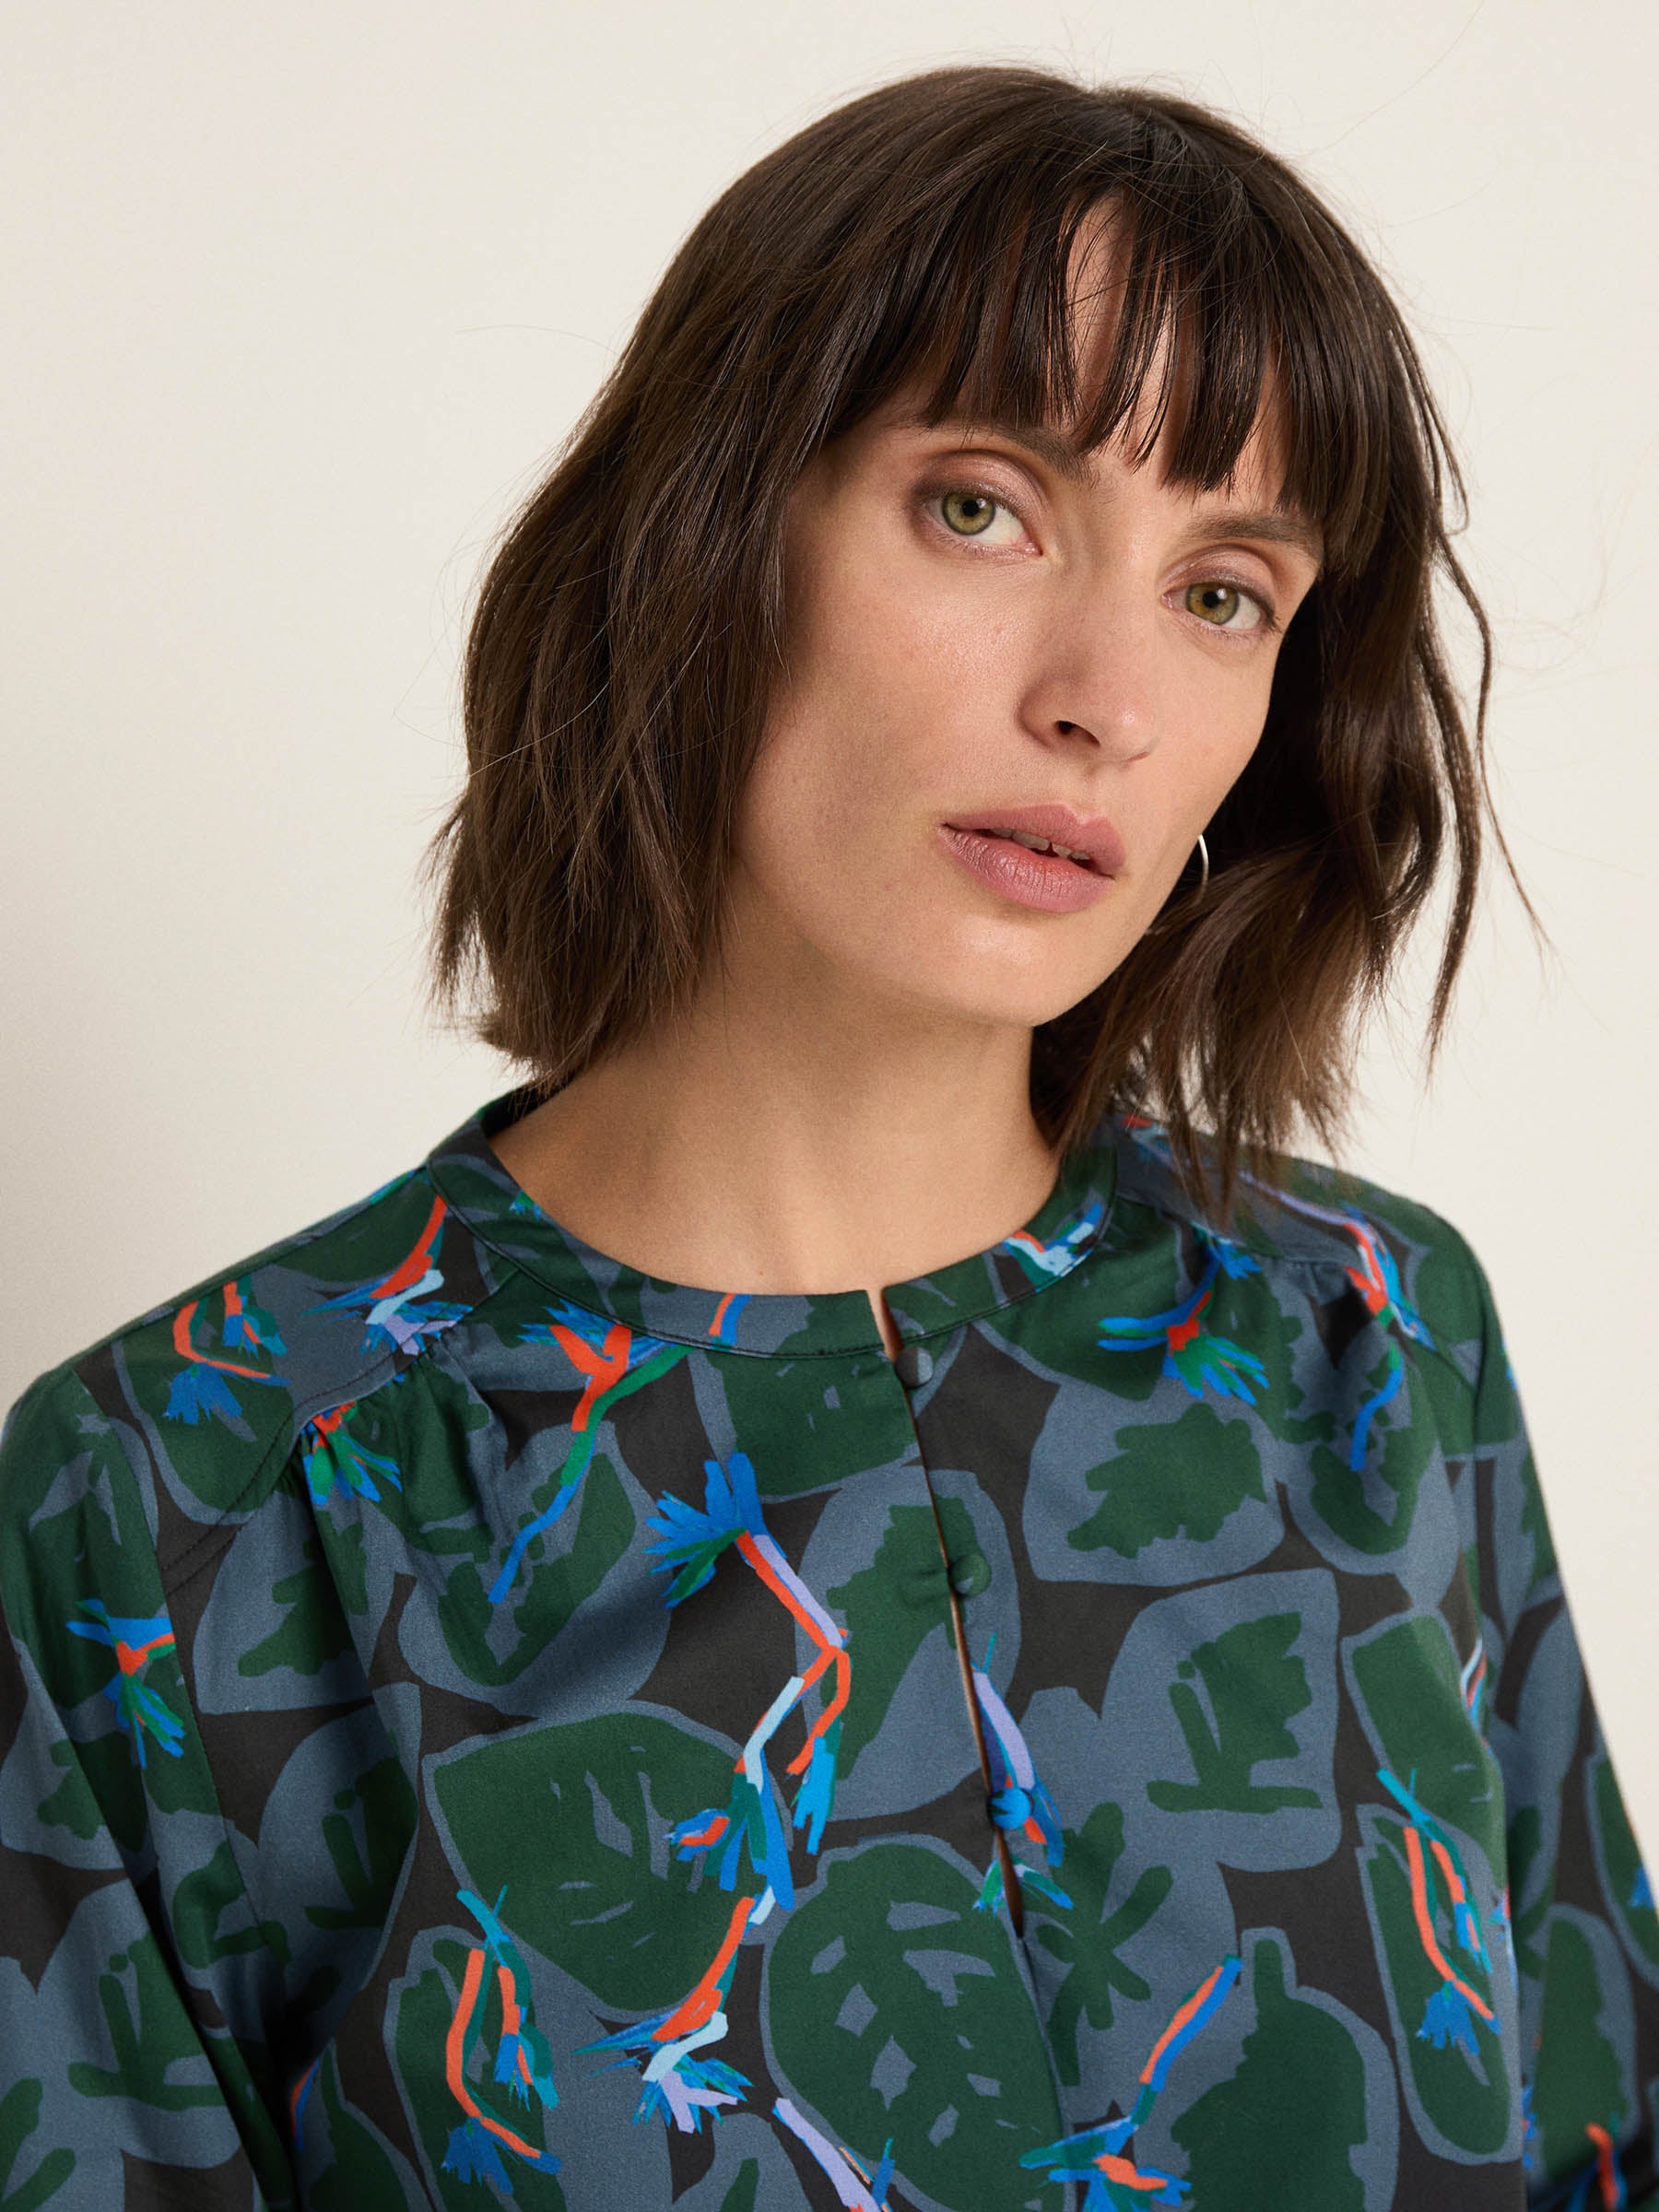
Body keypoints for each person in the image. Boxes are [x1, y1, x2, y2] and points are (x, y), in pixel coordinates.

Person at [1, 59, 1652, 2212]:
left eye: (1224, 589)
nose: (1105, 699)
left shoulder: (1375, 1343)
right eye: (981, 507)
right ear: (706, 532)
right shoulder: (190, 1505)